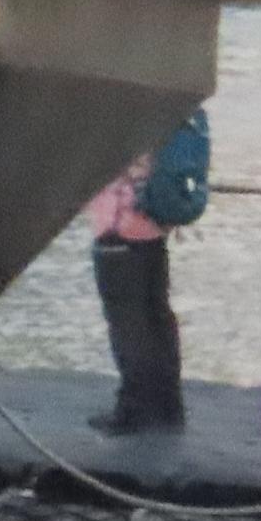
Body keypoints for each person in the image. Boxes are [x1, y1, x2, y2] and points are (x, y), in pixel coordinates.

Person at [85, 107, 210, 435]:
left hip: (118, 223)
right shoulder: (166, 108)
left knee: (127, 324)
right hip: (153, 224)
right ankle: (168, 407)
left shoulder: (115, 110)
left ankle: (134, 410)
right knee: (157, 316)